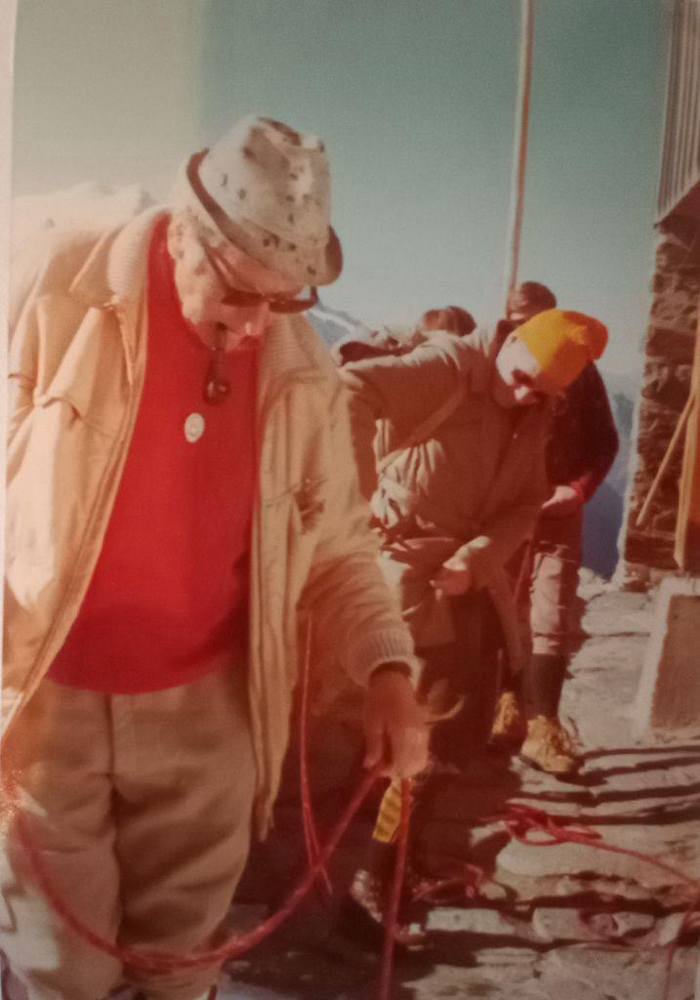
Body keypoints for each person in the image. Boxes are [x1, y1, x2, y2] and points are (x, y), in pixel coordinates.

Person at [1, 115, 430, 1000]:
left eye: (282, 301)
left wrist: (389, 671)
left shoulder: (302, 375)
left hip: (209, 720)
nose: (253, 326)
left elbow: (343, 548)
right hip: (50, 709)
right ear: (183, 234)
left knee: (179, 972)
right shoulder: (57, 289)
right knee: (62, 974)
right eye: (239, 293)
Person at [336, 305, 608, 927]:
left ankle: (406, 856)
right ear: (512, 343)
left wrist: (476, 557)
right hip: (404, 571)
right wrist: (354, 501)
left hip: (462, 582)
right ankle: (372, 880)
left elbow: (524, 503)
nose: (522, 395)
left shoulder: (534, 410)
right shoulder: (452, 364)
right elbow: (351, 390)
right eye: (521, 378)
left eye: (540, 391)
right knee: (424, 729)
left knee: (464, 725)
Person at [490, 282, 619, 775]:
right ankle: (508, 709)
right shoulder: (497, 367)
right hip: (505, 510)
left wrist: (579, 490)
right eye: (522, 322)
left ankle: (542, 726)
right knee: (505, 607)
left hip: (559, 511)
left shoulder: (581, 374)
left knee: (552, 611)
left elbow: (604, 440)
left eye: (541, 321)